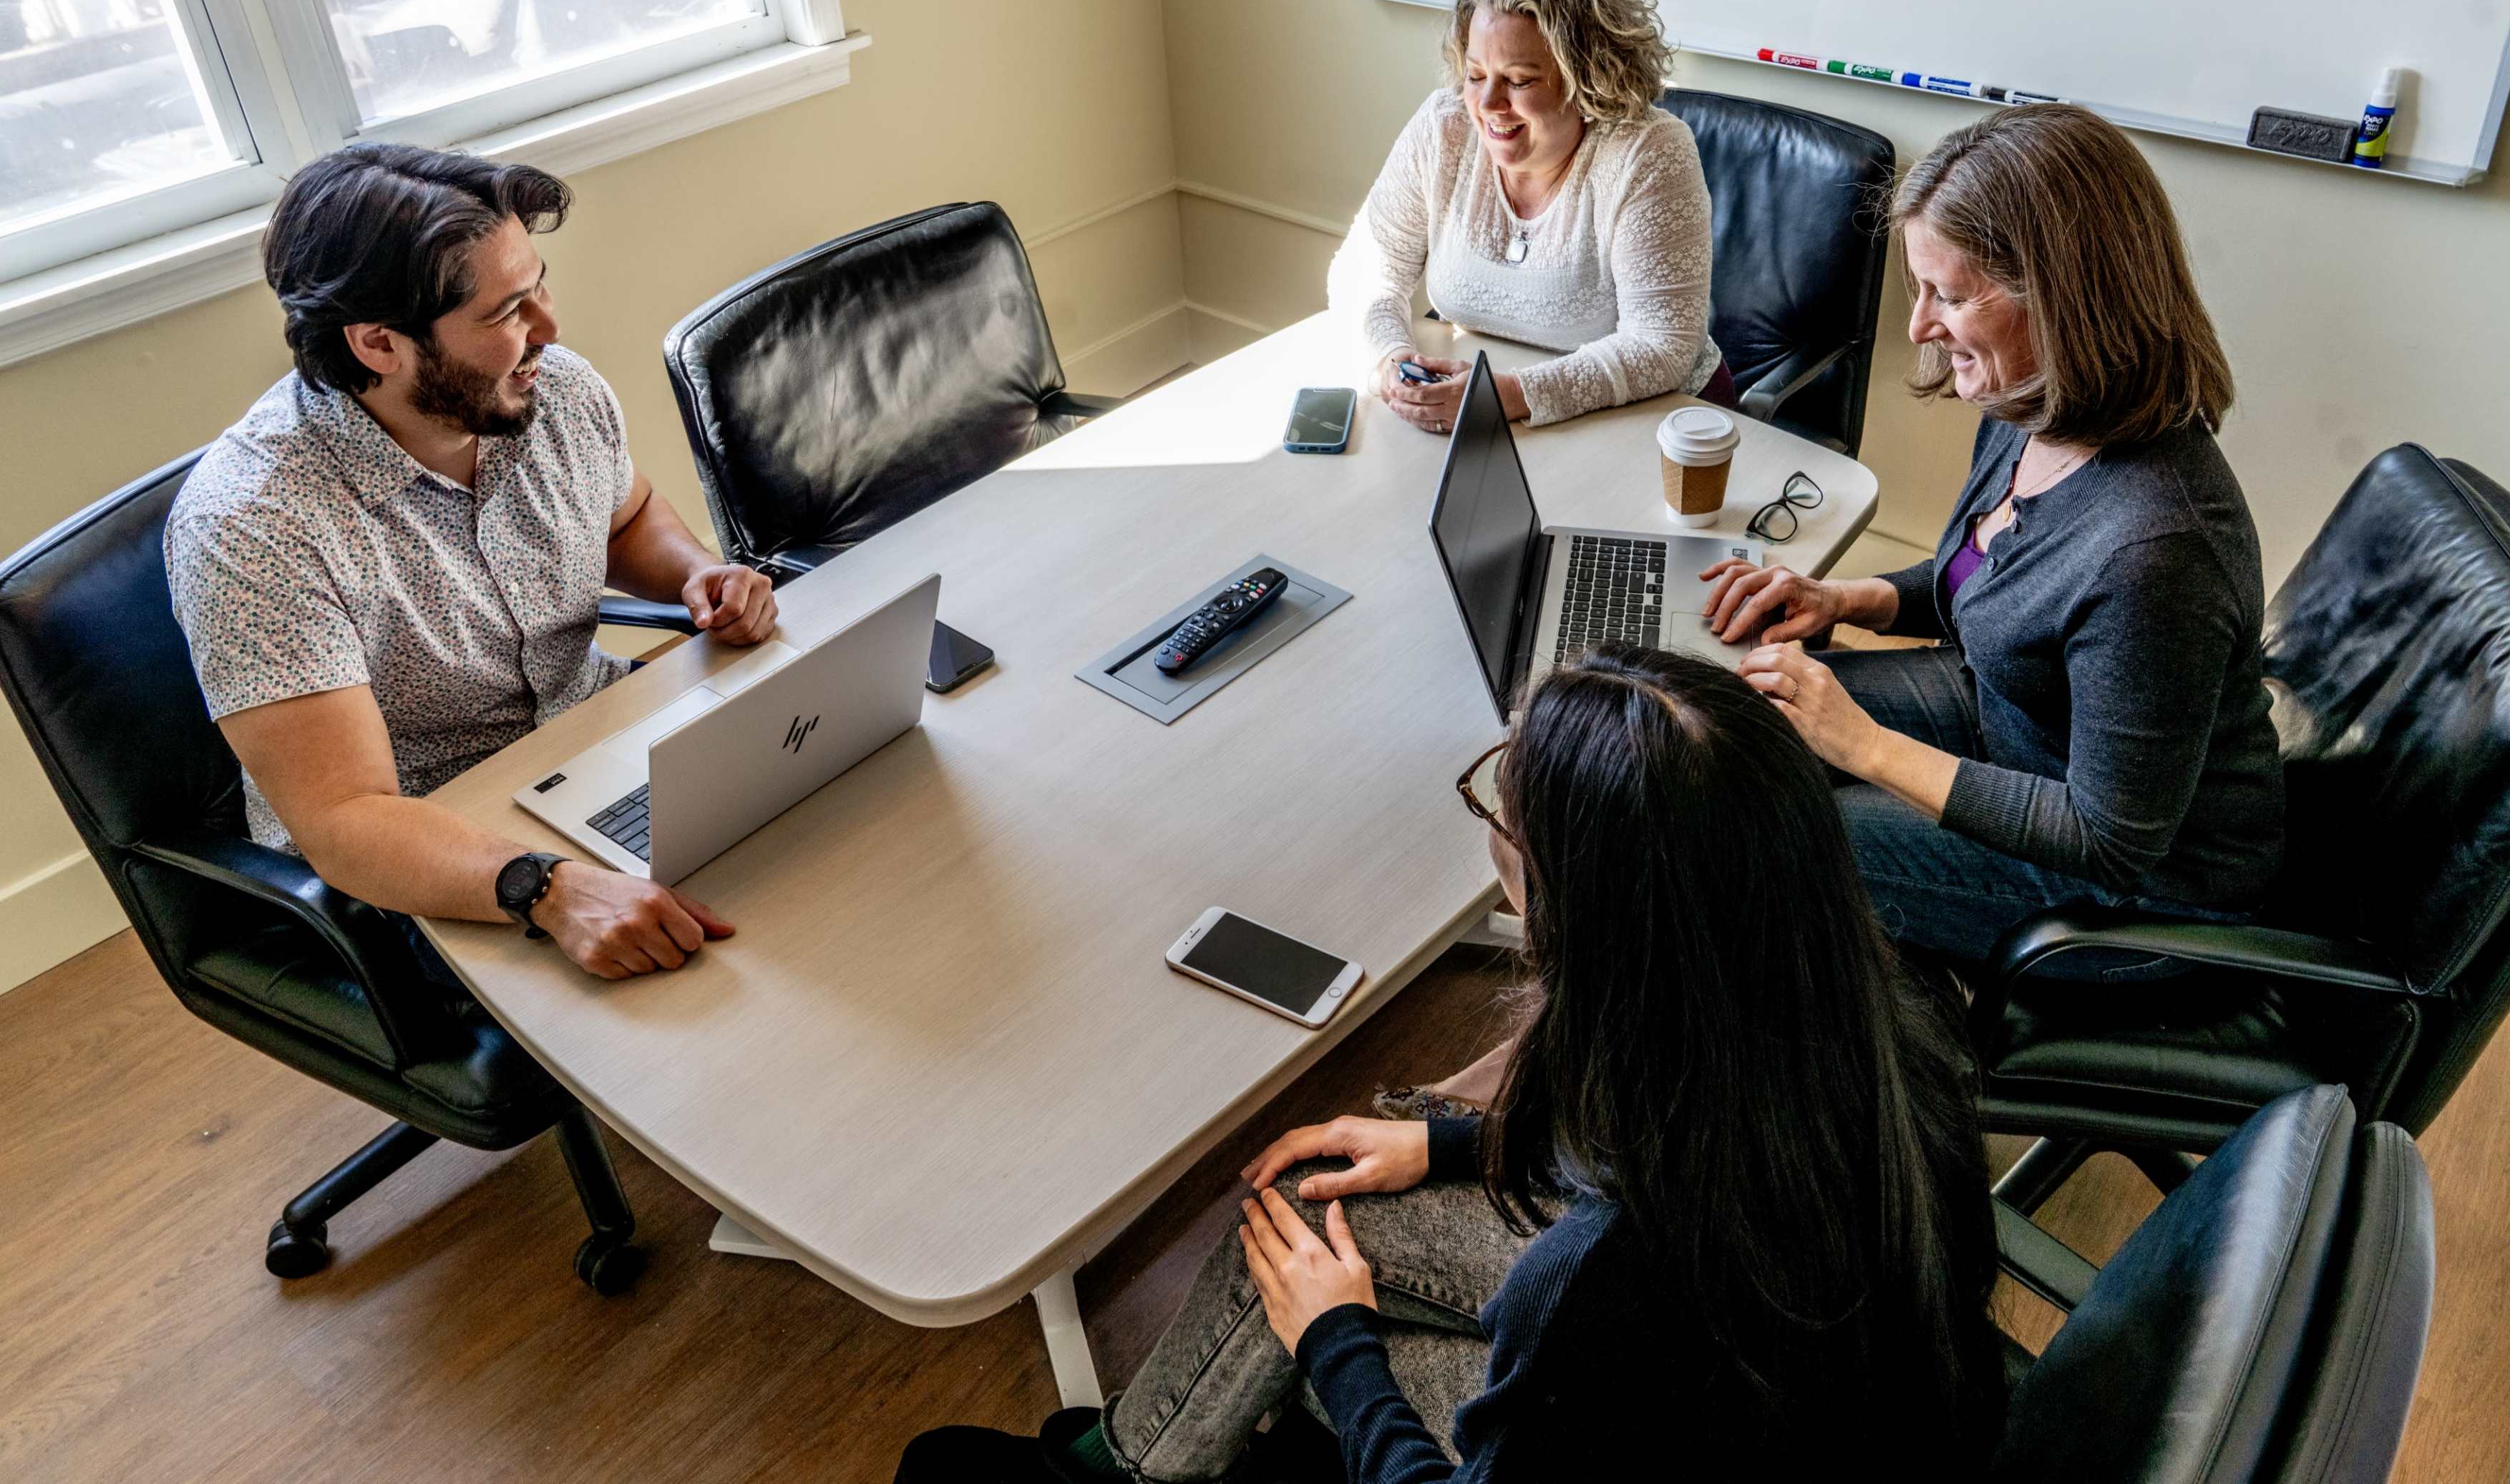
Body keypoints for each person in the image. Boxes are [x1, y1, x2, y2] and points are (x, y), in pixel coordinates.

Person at [897, 645, 2005, 1483]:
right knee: (1310, 1202)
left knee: (1315, 1285)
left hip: (1685, 1408)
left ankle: (1135, 1467)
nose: (1492, 828)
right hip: (1825, 1406)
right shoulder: (1878, 1020)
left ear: (1576, 907)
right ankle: (1141, 1448)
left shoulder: (1605, 1282)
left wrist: (1336, 1340)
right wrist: (1454, 1137)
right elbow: (1684, 1135)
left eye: (1501, 810)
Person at [165, 143, 777, 982]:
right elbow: (346, 818)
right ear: (379, 343)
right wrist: (547, 889)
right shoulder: (253, 528)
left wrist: (691, 575)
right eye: (507, 313)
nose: (551, 329)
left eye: (539, 286)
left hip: (593, 748)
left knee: (818, 847)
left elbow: (627, 518)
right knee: (732, 978)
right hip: (430, 852)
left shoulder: (550, 390)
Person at [1704, 103, 2285, 969]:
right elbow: (1981, 580)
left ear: (2060, 298)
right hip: (2008, 725)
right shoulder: (2033, 410)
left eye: (1949, 294)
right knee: (1717, 733)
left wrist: (1861, 744)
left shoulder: (2157, 555)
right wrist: (1842, 598)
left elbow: (2110, 837)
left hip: (2134, 895)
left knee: (1754, 837)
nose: (1919, 326)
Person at [1327, 0, 1732, 434]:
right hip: (1502, 418)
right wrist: (1390, 362)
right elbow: (1364, 273)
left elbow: (1661, 345)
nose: (1488, 103)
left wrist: (1510, 395)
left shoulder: (1648, 153)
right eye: (1476, 75)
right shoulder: (1445, 129)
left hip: (1661, 421)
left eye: (1519, 80)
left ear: (1587, 81)